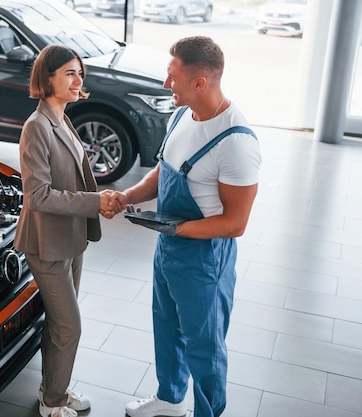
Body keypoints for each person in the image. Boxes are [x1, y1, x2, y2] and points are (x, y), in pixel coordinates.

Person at [113, 36, 262, 417]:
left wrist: (176, 231)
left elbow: (234, 223)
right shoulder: (181, 115)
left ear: (200, 83)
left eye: (172, 77)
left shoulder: (236, 143)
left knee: (205, 345)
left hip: (203, 258)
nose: (166, 84)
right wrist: (127, 197)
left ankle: (207, 413)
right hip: (168, 249)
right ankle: (170, 399)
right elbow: (165, 171)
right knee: (166, 327)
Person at [13, 44, 116, 417]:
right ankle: (51, 403)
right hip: (47, 243)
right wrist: (94, 202)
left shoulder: (62, 117)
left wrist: (99, 201)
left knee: (60, 323)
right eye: (69, 73)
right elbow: (37, 195)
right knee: (69, 326)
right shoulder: (36, 127)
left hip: (71, 237)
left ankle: (53, 387)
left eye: (80, 73)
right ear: (48, 77)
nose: (78, 80)